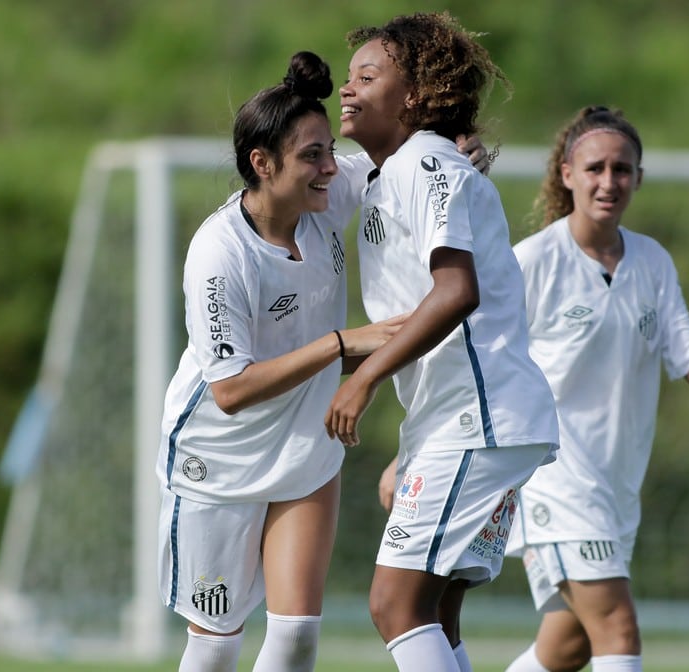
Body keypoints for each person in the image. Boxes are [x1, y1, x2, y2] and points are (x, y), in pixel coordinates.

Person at [156, 51, 489, 672]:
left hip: (305, 449)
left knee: (296, 636)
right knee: (215, 644)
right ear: (262, 163)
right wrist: (343, 344)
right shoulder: (218, 251)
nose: (331, 168)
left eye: (330, 150)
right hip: (217, 460)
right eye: (312, 155)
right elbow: (228, 389)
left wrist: (456, 154)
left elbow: (409, 162)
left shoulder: (328, 192)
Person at [501, 106, 689, 672]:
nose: (609, 182)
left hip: (615, 485)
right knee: (617, 629)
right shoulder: (534, 261)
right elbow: (481, 361)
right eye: (595, 168)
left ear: (638, 177)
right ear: (566, 174)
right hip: (554, 476)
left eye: (623, 169)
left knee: (569, 645)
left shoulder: (652, 261)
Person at [324, 13, 560, 672]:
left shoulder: (427, 162)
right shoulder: (391, 172)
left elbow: (457, 291)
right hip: (468, 420)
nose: (348, 91)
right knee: (434, 609)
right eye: (347, 78)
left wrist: (363, 378)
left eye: (368, 77)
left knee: (393, 605)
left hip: (479, 420)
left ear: (416, 98)